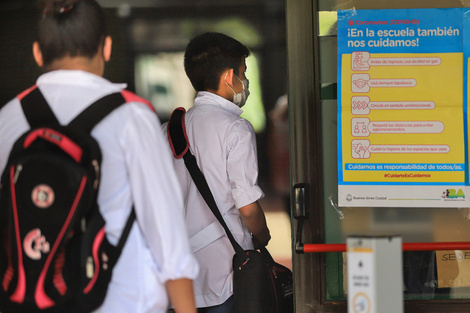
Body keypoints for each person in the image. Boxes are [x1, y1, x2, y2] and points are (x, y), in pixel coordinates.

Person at [0, 0, 198, 312]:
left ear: (37, 52)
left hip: (32, 301)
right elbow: (166, 234)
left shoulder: (7, 119)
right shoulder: (132, 115)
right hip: (121, 301)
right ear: (106, 48)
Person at [163, 32, 271, 313]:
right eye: (243, 74)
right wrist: (262, 235)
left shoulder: (170, 130)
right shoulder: (236, 129)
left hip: (179, 274)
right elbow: (247, 207)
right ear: (228, 77)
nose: (245, 83)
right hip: (225, 271)